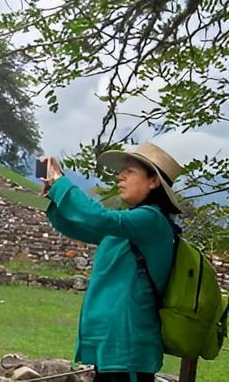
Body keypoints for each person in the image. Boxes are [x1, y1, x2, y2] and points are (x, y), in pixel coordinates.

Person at [39, 142, 184, 382]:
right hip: (113, 346)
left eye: (130, 171)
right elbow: (82, 225)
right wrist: (54, 194)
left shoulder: (151, 220)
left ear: (154, 181)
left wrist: (61, 183)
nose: (120, 177)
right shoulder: (132, 224)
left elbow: (98, 217)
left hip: (126, 347)